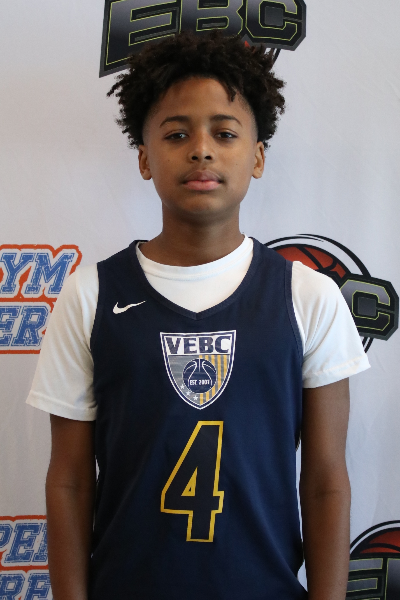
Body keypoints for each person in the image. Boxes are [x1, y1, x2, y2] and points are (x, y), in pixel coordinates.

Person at [27, 31, 370, 600]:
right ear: (144, 158)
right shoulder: (91, 294)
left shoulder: (308, 296)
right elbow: (68, 480)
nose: (201, 150)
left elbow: (326, 480)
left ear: (257, 157)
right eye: (177, 133)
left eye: (225, 133)